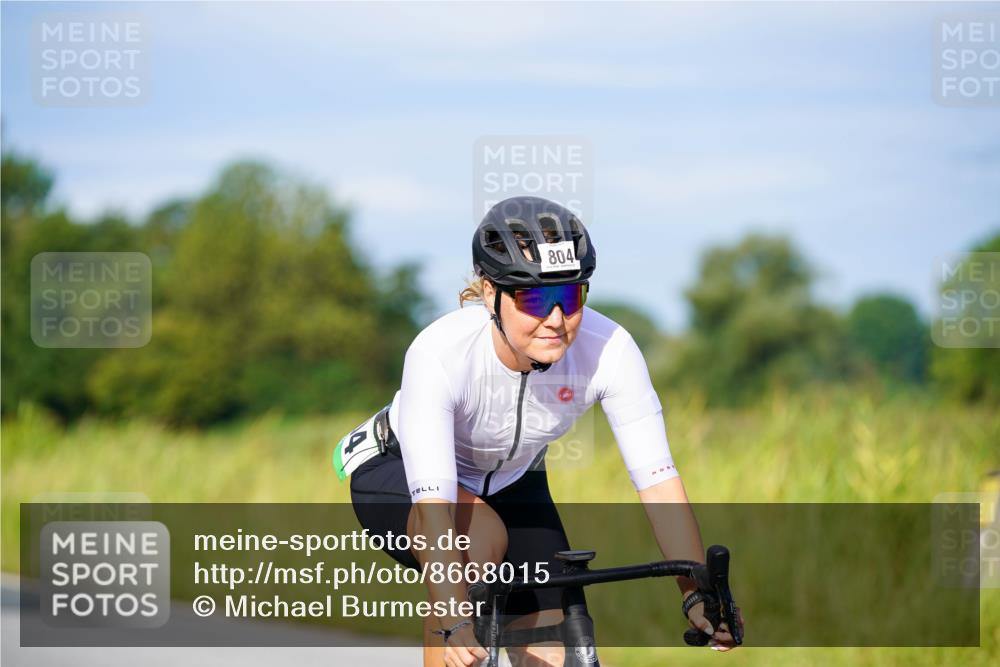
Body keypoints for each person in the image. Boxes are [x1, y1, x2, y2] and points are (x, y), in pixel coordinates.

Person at [336, 196, 744, 666]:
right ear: (490, 292)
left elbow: (658, 483)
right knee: (476, 546)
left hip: (514, 482)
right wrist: (454, 617)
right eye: (532, 298)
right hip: (398, 470)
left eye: (569, 297)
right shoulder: (440, 353)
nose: (555, 319)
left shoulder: (610, 350)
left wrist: (696, 593)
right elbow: (435, 511)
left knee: (559, 649)